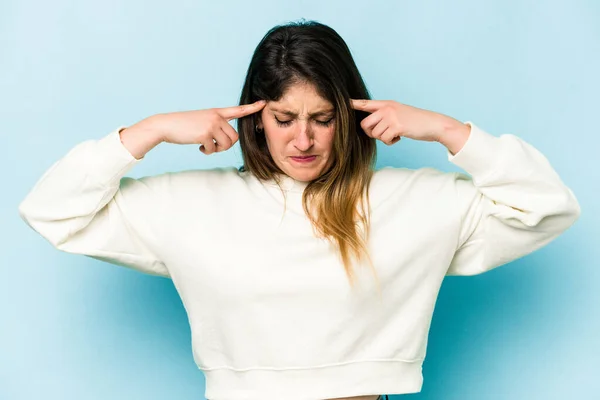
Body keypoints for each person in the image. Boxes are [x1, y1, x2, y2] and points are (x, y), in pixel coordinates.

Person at [18, 19, 580, 400]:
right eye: (284, 119)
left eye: (323, 118)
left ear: (350, 114)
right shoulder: (190, 204)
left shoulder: (414, 202)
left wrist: (447, 131)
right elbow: (52, 211)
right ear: (256, 119)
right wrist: (149, 132)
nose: (303, 140)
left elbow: (548, 208)